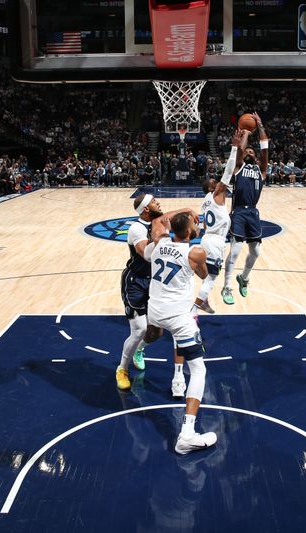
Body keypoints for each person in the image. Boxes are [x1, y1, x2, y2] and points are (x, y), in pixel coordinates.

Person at [144, 211, 216, 454]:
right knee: (198, 369)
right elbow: (205, 275)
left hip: (153, 309)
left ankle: (142, 348)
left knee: (154, 334)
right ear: (188, 232)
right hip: (177, 316)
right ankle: (186, 435)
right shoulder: (195, 252)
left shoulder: (160, 241)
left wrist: (175, 217)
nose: (198, 225)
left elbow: (156, 223)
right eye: (196, 223)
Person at [115, 194, 193, 392]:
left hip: (154, 282)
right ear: (146, 209)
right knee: (140, 329)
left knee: (156, 331)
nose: (159, 203)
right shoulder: (137, 228)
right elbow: (147, 254)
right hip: (135, 282)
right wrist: (164, 238)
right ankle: (122, 369)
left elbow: (168, 216)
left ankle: (139, 350)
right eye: (154, 202)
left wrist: (188, 210)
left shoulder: (158, 222)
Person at [192, 130, 243, 316]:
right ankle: (195, 309)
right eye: (214, 181)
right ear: (212, 187)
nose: (216, 180)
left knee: (207, 275)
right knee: (211, 278)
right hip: (215, 242)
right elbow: (228, 171)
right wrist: (234, 147)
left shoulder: (204, 202)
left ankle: (201, 298)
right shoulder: (217, 194)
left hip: (206, 239)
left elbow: (202, 226)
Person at [221, 113, 269, 305]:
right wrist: (247, 133)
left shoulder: (262, 171)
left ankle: (244, 278)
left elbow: (265, 149)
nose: (249, 152)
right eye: (247, 151)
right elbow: (240, 150)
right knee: (235, 250)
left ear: (256, 158)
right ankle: (227, 287)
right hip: (239, 211)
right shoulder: (238, 167)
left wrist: (261, 126)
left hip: (253, 212)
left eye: (252, 152)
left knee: (256, 252)